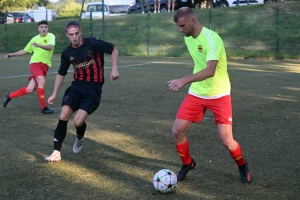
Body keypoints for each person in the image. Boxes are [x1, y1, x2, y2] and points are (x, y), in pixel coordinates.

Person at [167, 7, 251, 183]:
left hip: (219, 94)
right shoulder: (188, 37)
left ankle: (243, 166)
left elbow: (211, 70)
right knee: (177, 131)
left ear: (193, 21)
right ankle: (187, 163)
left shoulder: (212, 39)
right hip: (197, 92)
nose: (180, 30)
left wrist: (184, 80)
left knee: (226, 140)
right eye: (178, 27)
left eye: (182, 26)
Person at [44, 21, 119, 162]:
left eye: (76, 33)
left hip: (93, 90)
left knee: (78, 121)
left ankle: (80, 137)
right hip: (76, 87)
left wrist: (114, 68)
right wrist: (54, 93)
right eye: (71, 34)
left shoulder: (93, 43)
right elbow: (61, 73)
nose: (74, 37)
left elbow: (113, 49)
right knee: (64, 115)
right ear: (67, 35)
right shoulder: (67, 53)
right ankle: (56, 152)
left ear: (81, 32)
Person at [3, 20, 55, 114]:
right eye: (42, 27)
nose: (44, 28)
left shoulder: (51, 36)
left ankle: (9, 96)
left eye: (45, 27)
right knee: (41, 81)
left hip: (45, 65)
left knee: (30, 89)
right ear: (38, 29)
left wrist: (39, 45)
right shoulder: (34, 39)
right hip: (35, 64)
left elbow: (50, 47)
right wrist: (12, 54)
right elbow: (25, 50)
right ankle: (44, 108)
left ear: (48, 28)